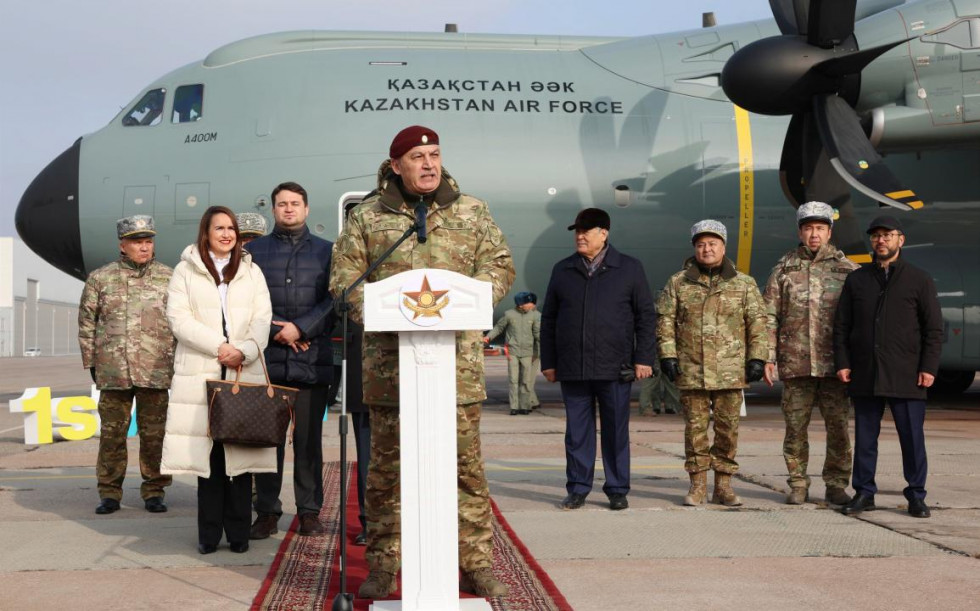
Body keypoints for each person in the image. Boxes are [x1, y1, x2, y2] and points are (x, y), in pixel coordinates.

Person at [330, 125, 515, 599]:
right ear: (396, 165)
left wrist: (475, 300)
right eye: (417, 156)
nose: (429, 164)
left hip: (457, 371)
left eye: (435, 154)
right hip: (391, 373)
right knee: (386, 475)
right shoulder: (368, 217)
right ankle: (384, 565)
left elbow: (499, 263)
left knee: (466, 473)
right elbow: (344, 278)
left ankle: (474, 564)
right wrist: (370, 307)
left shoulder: (472, 211)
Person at [161, 206, 274, 553]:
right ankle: (208, 535)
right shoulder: (185, 271)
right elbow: (178, 319)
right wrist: (219, 346)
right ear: (205, 232)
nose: (226, 234)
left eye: (231, 229)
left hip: (242, 369)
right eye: (219, 228)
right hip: (202, 371)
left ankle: (239, 534)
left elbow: (263, 317)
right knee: (208, 462)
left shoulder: (252, 272)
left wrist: (244, 350)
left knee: (238, 459)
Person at [540, 208, 657, 512]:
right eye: (577, 231)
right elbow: (549, 318)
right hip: (573, 367)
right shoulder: (562, 270)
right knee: (577, 434)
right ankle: (578, 488)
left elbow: (646, 316)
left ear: (603, 234)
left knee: (615, 432)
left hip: (615, 367)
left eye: (587, 231)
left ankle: (617, 488)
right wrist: (549, 362)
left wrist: (643, 358)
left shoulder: (629, 268)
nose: (580, 236)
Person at [834, 216, 943, 519]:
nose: (881, 241)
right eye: (876, 236)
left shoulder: (919, 279)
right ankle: (864, 492)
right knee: (866, 440)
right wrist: (843, 362)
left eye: (887, 235)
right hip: (866, 372)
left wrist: (929, 367)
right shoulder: (857, 279)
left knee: (912, 439)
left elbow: (934, 329)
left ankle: (916, 496)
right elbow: (842, 326)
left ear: (900, 240)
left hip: (907, 374)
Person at [656, 220, 768, 506]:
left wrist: (758, 357)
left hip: (730, 370)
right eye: (701, 244)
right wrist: (668, 354)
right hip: (692, 369)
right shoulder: (678, 282)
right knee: (695, 431)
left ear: (723, 247)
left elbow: (757, 321)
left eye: (712, 244)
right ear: (694, 248)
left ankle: (724, 486)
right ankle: (697, 486)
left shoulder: (744, 283)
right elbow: (665, 320)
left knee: (727, 431)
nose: (707, 249)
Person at [247, 182, 336, 538]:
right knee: (268, 442)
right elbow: (244, 304)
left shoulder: (328, 252)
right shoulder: (253, 252)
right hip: (267, 362)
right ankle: (267, 511)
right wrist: (274, 329)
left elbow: (335, 301)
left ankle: (310, 511)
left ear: (307, 209)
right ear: (273, 210)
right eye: (282, 204)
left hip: (312, 361)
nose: (288, 209)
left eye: (295, 204)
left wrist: (301, 328)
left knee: (308, 442)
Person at [762, 201, 859, 506]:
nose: (814, 234)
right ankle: (798, 483)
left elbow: (859, 319)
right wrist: (768, 357)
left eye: (820, 228)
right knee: (794, 430)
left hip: (835, 367)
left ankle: (836, 484)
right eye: (808, 228)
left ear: (829, 232)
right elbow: (769, 316)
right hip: (796, 364)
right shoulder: (784, 268)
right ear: (800, 232)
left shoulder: (848, 270)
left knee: (839, 430)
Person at [78, 215, 175, 515]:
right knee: (111, 435)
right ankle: (109, 492)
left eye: (148, 241)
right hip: (113, 370)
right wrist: (91, 363)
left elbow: (180, 322)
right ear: (123, 244)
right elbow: (86, 323)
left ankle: (154, 490)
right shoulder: (100, 278)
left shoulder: (169, 278)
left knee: (154, 435)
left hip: (155, 369)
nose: (144, 247)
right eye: (137, 242)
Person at [484, 291, 541, 415]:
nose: (532, 305)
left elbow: (537, 334)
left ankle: (525, 406)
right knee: (513, 380)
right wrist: (488, 337)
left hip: (527, 352)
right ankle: (514, 406)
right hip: (513, 352)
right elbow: (499, 328)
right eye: (529, 303)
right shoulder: (509, 315)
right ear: (521, 304)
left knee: (526, 380)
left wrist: (540, 351)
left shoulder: (534, 316)